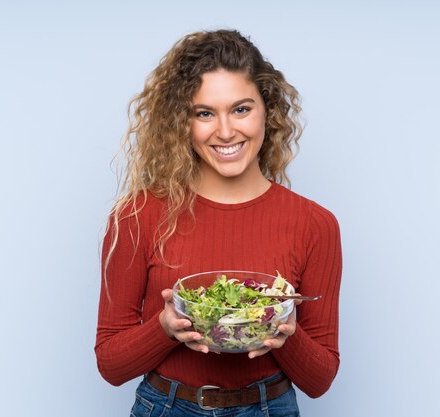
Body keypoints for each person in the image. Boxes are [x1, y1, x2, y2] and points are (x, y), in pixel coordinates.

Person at [95, 29, 342, 416]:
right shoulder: (137, 216)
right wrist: (164, 328)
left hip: (269, 407)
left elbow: (320, 380)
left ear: (268, 110)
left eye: (241, 109)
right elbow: (110, 365)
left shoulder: (315, 224)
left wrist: (285, 334)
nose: (226, 131)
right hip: (168, 407)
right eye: (205, 113)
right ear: (183, 123)